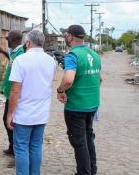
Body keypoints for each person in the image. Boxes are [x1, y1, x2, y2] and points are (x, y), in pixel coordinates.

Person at [6, 30, 56, 175]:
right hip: (41, 113)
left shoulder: (20, 60)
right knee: (35, 147)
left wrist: (10, 114)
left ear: (27, 43)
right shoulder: (50, 60)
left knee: (21, 148)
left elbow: (15, 91)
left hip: (23, 114)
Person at [56, 25, 102, 175]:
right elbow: (99, 79)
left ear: (69, 37)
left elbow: (68, 79)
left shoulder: (72, 55)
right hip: (92, 104)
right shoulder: (95, 55)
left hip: (76, 106)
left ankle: (84, 172)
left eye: (66, 36)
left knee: (79, 142)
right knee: (88, 137)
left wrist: (60, 90)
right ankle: (92, 170)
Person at [0, 30, 25, 156]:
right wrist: (3, 52)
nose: (7, 40)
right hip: (10, 92)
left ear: (13, 39)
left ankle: (15, 148)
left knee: (9, 120)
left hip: (15, 93)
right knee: (9, 120)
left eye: (8, 38)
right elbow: (12, 62)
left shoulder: (20, 53)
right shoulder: (15, 53)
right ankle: (13, 146)